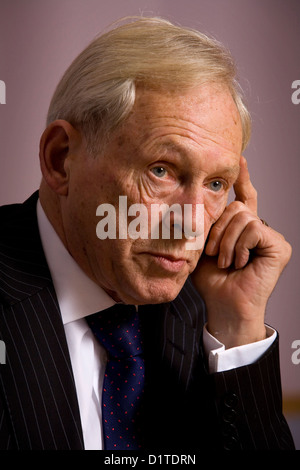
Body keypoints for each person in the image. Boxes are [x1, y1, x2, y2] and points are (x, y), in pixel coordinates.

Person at [0, 16, 295, 450]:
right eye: (162, 170)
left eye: (217, 184)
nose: (193, 223)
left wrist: (237, 326)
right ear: (62, 159)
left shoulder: (200, 312)